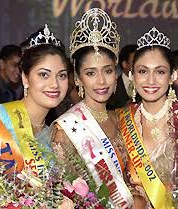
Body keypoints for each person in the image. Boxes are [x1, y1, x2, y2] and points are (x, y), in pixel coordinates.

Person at [117, 27, 178, 209]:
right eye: (143, 71)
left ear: (172, 76)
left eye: (160, 71)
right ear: (132, 76)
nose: (151, 80)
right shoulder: (120, 119)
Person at [0, 24, 69, 208]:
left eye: (62, 75)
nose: (55, 84)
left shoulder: (55, 137)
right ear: (25, 78)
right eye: (44, 74)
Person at [52, 8, 134, 208]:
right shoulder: (66, 128)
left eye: (107, 71)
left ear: (116, 75)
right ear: (78, 79)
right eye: (90, 73)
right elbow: (65, 190)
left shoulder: (124, 118)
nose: (101, 81)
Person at [107, 44, 138, 110]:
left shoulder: (145, 83)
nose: (139, 65)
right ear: (124, 64)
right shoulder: (111, 85)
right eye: (135, 61)